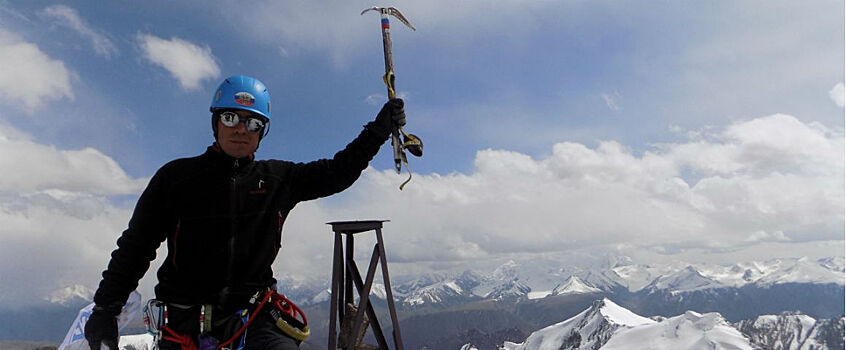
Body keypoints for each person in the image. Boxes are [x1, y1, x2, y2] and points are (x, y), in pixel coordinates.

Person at [83, 75, 406, 350]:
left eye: (252, 122)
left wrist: (377, 131)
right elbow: (136, 246)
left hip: (254, 317)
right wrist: (106, 307)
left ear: (261, 131)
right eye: (230, 118)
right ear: (215, 122)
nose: (240, 129)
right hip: (184, 321)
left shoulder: (279, 180)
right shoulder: (176, 179)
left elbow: (338, 172)